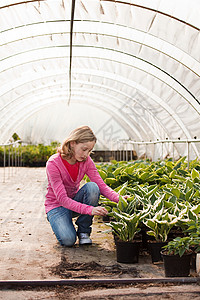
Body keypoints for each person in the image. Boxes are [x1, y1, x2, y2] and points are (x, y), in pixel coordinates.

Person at [45, 125, 123, 247]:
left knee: (93, 187)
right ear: (72, 143)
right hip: (57, 206)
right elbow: (63, 200)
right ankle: (57, 220)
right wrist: (90, 210)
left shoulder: (86, 161)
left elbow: (101, 186)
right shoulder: (54, 163)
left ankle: (84, 232)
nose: (86, 154)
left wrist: (121, 199)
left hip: (74, 202)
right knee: (68, 240)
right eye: (84, 149)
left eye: (89, 151)